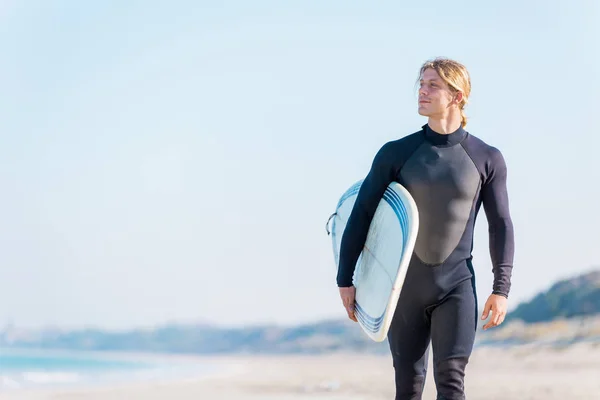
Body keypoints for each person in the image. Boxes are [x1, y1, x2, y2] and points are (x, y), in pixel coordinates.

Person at [336, 57, 515, 400]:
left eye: (433, 85)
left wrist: (501, 288)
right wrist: (345, 278)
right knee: (408, 386)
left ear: (457, 95)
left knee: (451, 382)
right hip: (403, 289)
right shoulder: (396, 153)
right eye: (421, 84)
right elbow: (362, 214)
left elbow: (501, 224)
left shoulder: (486, 158)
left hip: (456, 287)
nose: (422, 91)